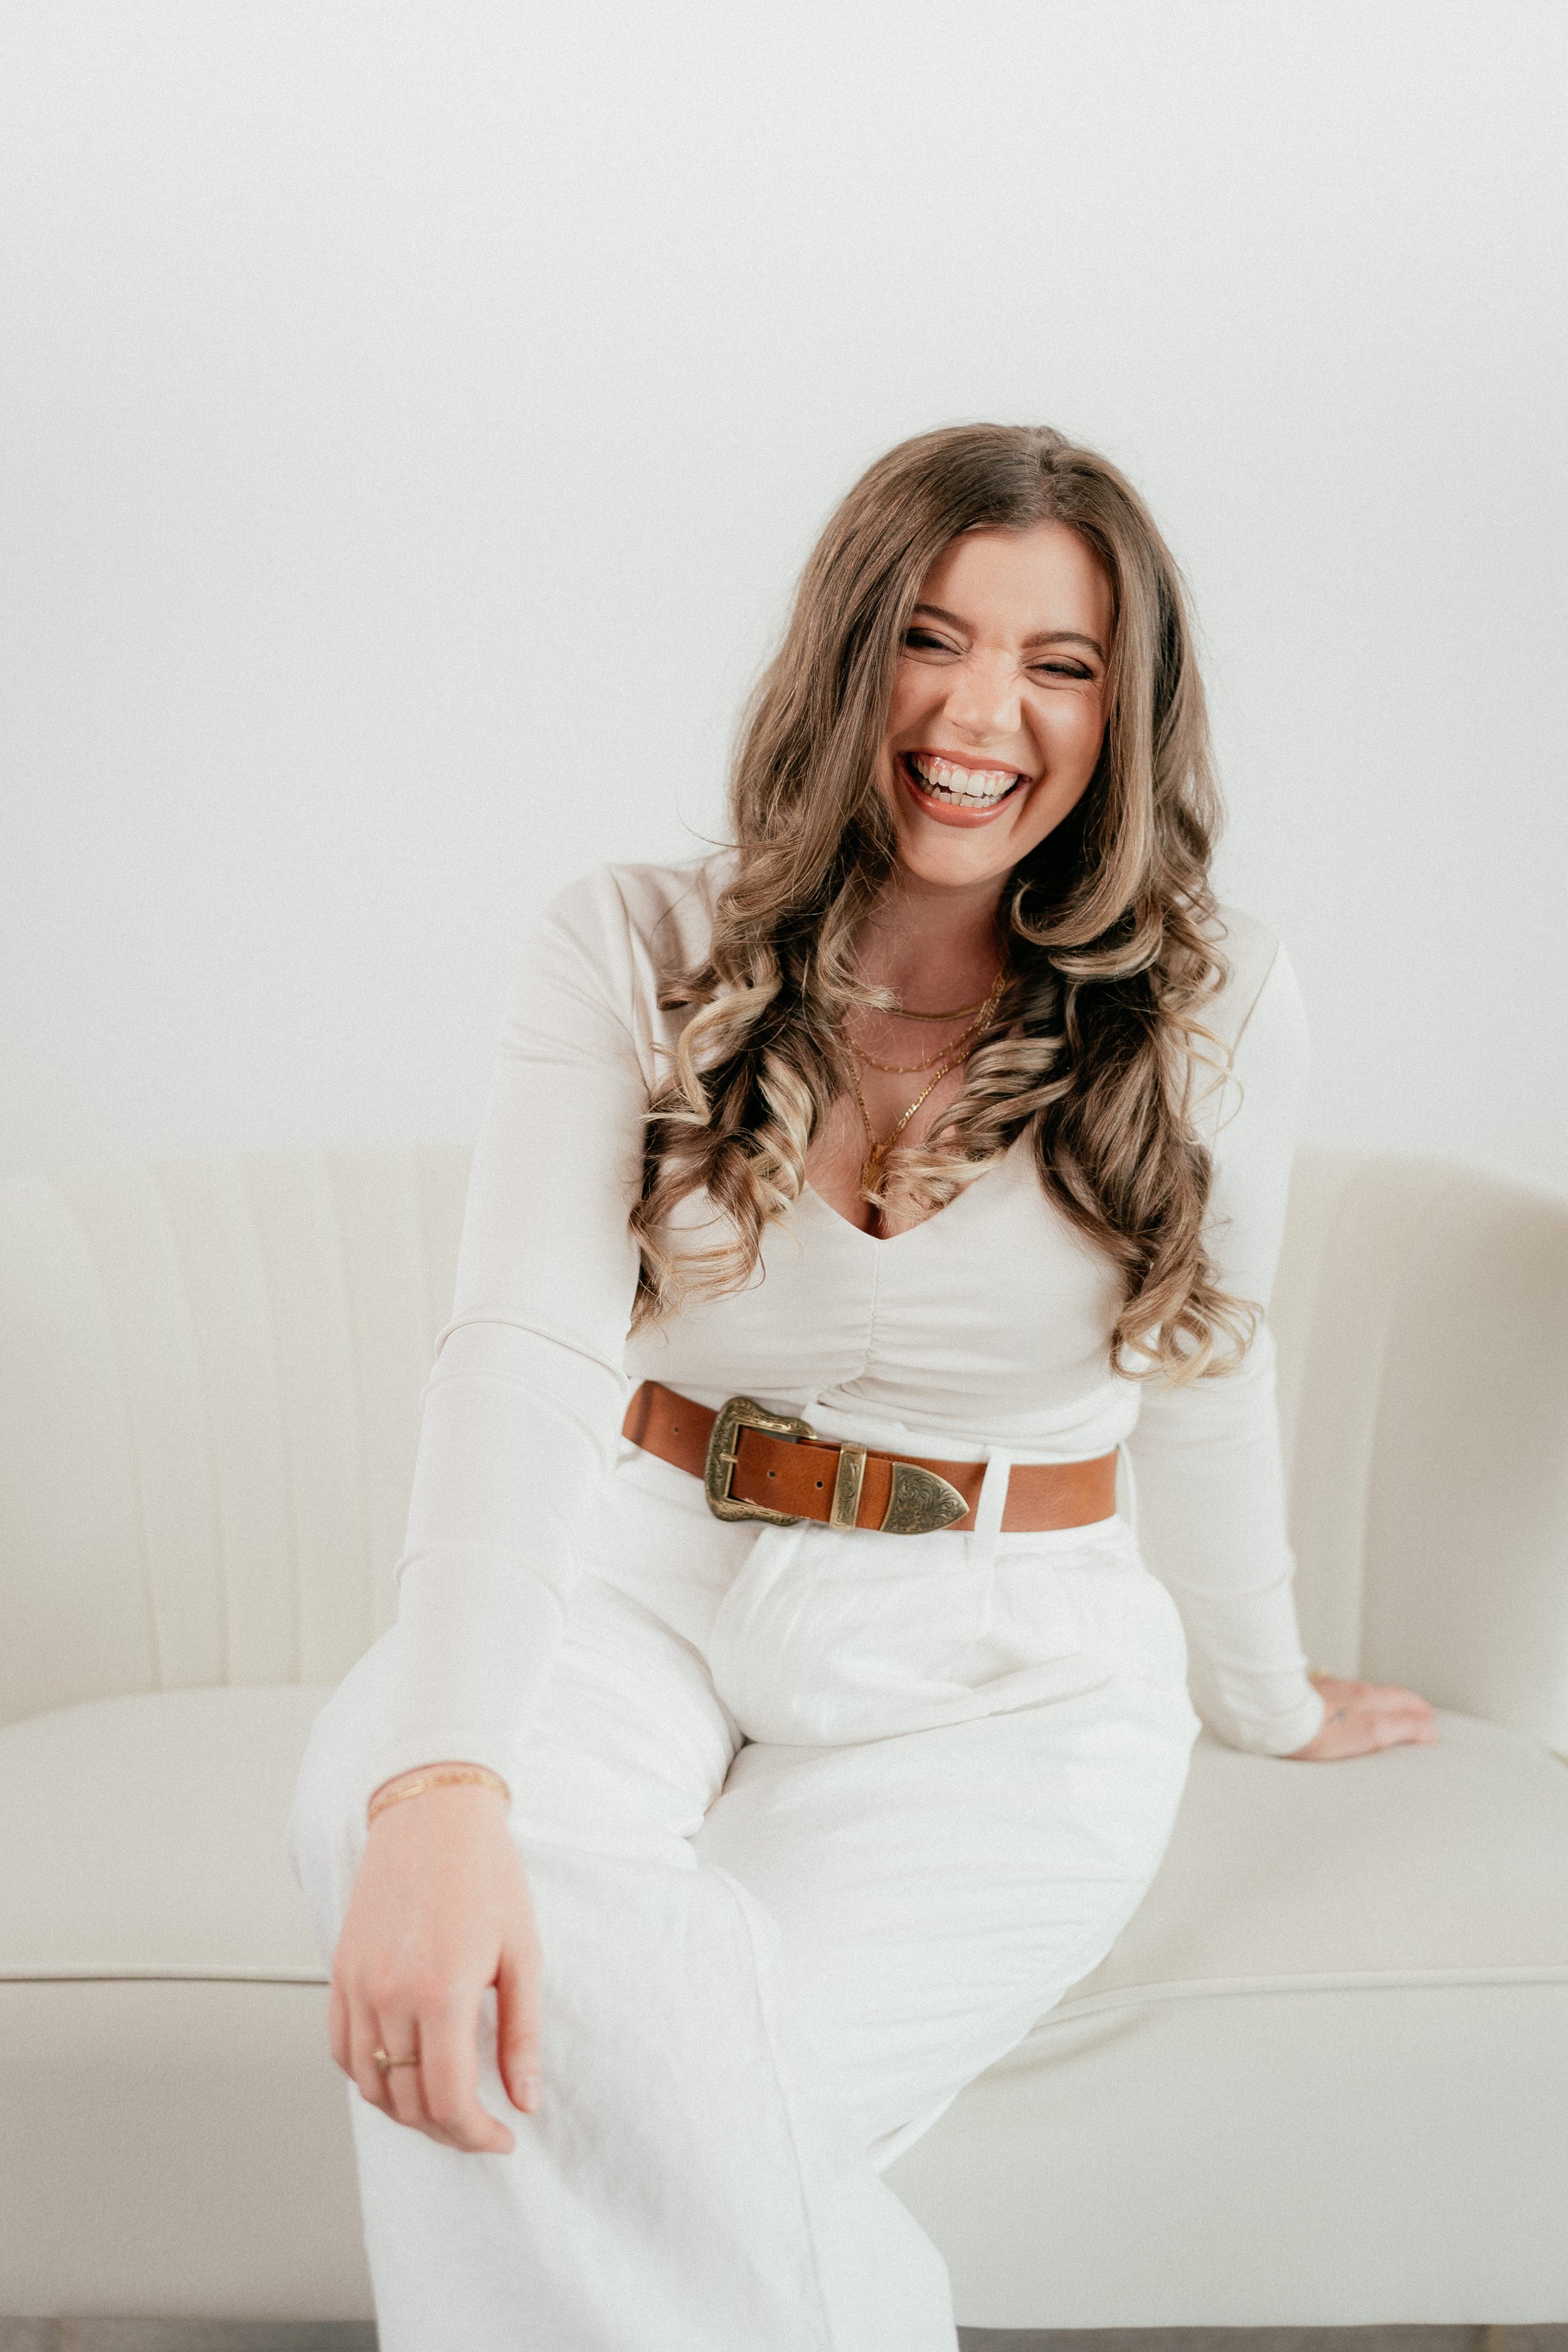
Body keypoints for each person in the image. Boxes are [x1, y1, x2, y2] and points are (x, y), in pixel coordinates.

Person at [288, 422, 1436, 2351]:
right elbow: (521, 1351)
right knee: (377, 1810)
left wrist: (1260, 1690)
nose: (980, 712)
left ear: (1121, 713)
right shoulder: (630, 942)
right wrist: (444, 1774)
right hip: (640, 1573)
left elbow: (1206, 1363)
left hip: (1001, 1658)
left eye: (1057, 663)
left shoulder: (1216, 993)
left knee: (604, 2102)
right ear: (843, 657)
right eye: (928, 637)